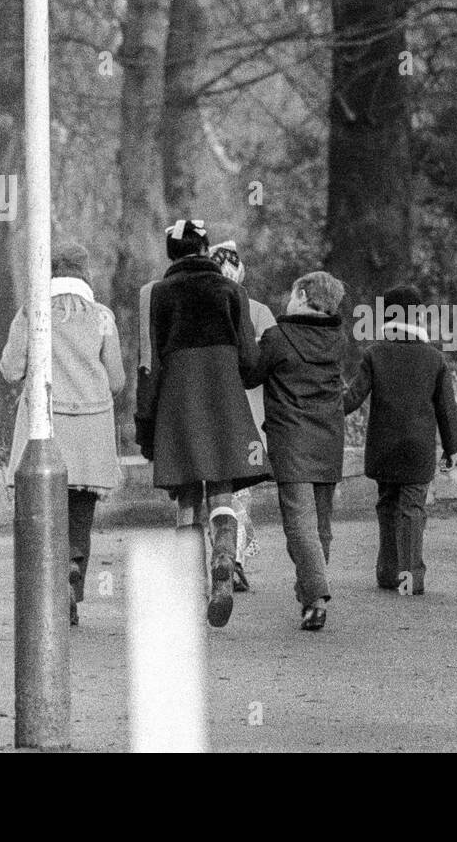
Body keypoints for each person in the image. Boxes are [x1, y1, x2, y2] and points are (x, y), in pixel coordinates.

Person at [135, 219, 272, 628]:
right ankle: (225, 564)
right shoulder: (233, 292)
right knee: (223, 490)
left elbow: (152, 364)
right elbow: (250, 364)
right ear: (205, 248)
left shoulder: (160, 295)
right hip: (224, 400)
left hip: (179, 404)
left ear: (171, 255)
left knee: (187, 497)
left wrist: (146, 424)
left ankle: (189, 587)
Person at [0, 242, 125, 627]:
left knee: (43, 514)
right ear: (85, 274)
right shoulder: (102, 317)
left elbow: (10, 370)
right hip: (90, 427)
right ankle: (72, 570)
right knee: (81, 514)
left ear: (49, 273)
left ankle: (50, 588)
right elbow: (117, 380)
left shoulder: (32, 313)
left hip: (46, 425)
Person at [243, 271, 345, 631]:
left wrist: (248, 342)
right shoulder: (337, 338)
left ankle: (317, 597)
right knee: (321, 525)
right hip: (329, 439)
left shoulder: (278, 337)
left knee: (300, 525)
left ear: (302, 295)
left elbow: (250, 374)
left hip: (291, 440)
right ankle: (309, 598)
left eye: (291, 294)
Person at [343, 284, 457, 595]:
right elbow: (446, 410)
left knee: (387, 504)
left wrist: (319, 411)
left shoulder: (374, 354)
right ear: (418, 317)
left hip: (384, 447)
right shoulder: (434, 359)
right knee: (412, 508)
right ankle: (411, 577)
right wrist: (451, 448)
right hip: (418, 448)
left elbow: (352, 398)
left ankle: (387, 572)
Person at [209, 240, 277, 592]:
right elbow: (271, 361)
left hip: (214, 408)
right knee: (241, 493)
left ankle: (216, 555)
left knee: (213, 489)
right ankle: (234, 559)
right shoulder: (260, 312)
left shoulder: (205, 310)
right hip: (251, 411)